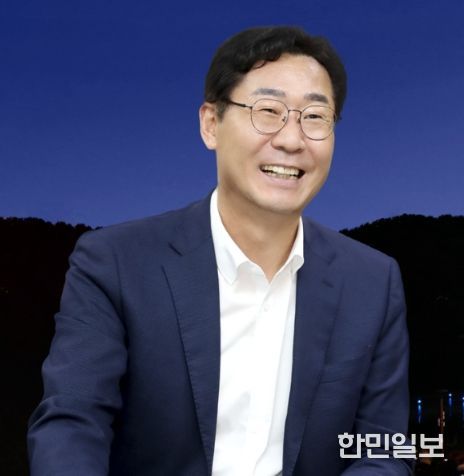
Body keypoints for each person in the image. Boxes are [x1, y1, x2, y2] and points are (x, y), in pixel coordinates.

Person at [28, 26, 412, 475]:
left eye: (314, 117)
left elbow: (385, 449)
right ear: (211, 124)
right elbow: (71, 424)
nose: (291, 140)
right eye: (268, 111)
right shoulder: (114, 264)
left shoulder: (373, 282)